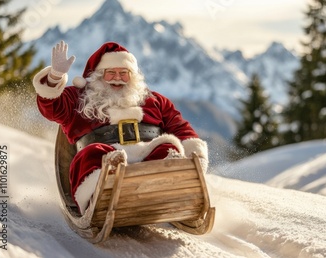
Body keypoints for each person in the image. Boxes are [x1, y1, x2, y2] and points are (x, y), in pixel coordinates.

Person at [33, 41, 208, 214]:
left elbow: (179, 126)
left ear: (133, 76)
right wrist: (55, 76)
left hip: (147, 157)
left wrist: (195, 153)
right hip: (104, 157)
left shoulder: (155, 100)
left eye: (124, 73)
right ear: (99, 75)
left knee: (168, 148)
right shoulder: (79, 97)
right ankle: (106, 188)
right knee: (90, 155)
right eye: (111, 73)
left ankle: (172, 189)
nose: (118, 77)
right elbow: (51, 108)